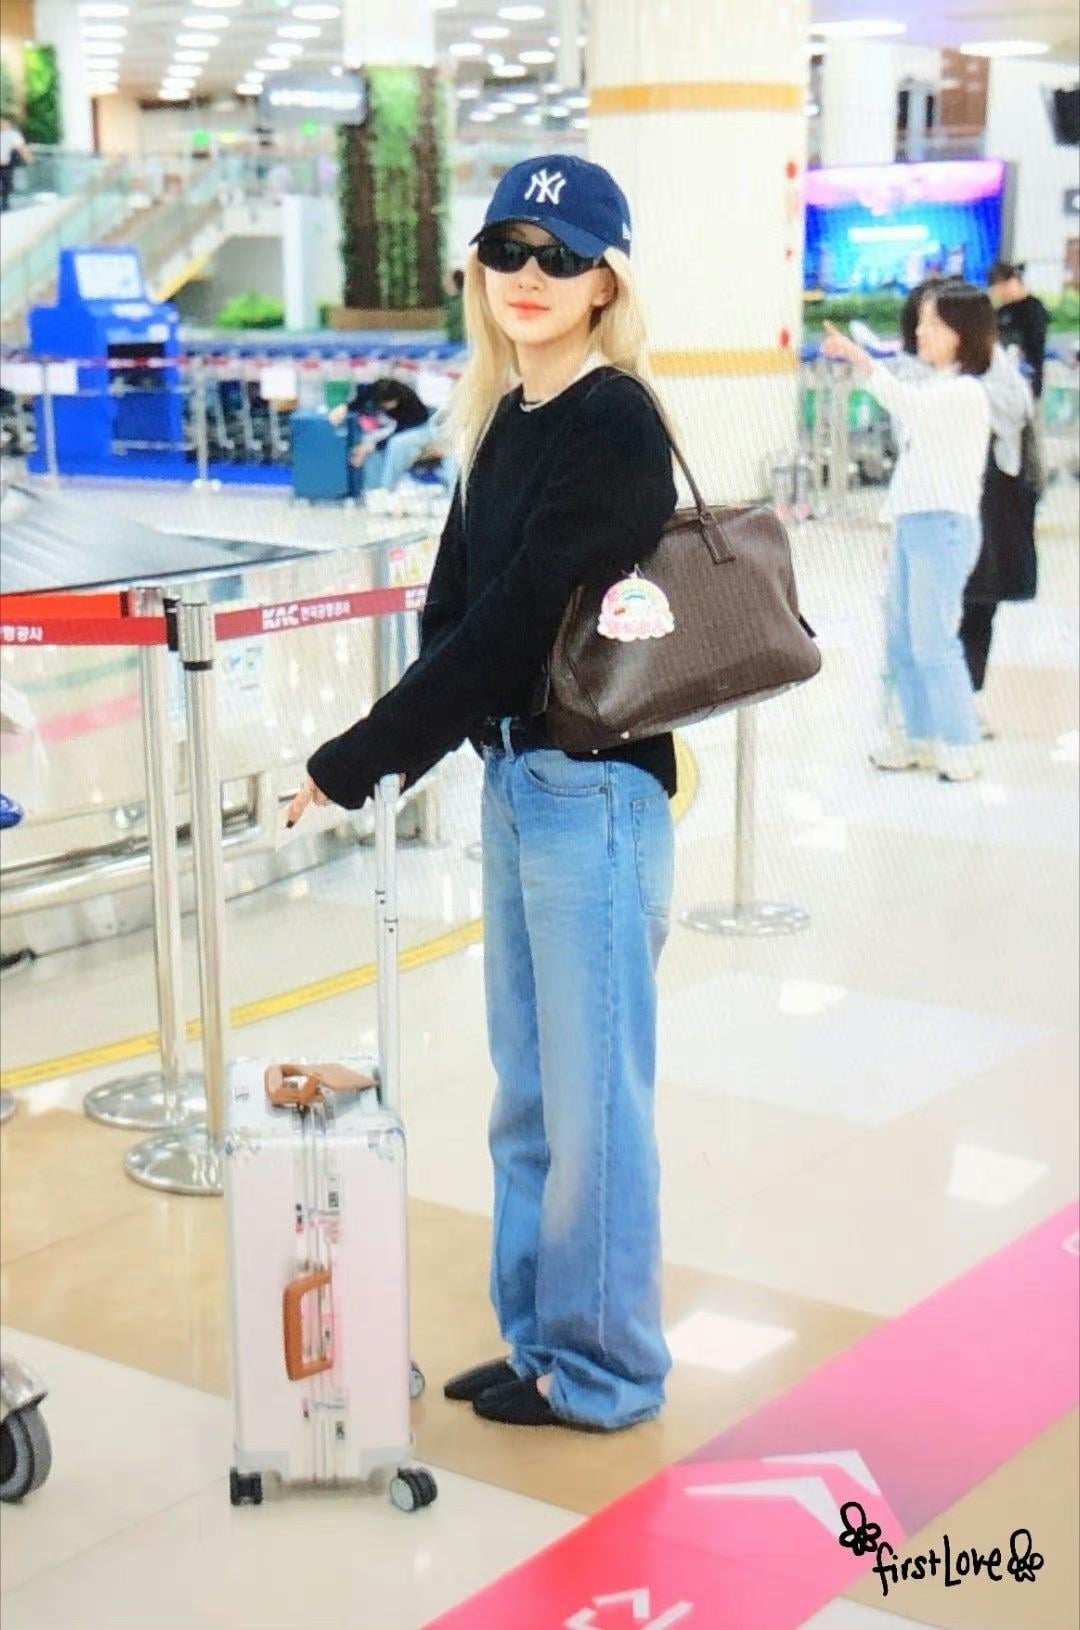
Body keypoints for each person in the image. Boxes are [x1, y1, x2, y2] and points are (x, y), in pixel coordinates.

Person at [288, 153, 679, 1432]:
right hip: (520, 781)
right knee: (529, 1092)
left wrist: (357, 756)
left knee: (594, 1106)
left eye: (561, 256)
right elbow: (455, 610)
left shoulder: (615, 421)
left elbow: (518, 619)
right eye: (508, 248)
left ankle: (607, 1369)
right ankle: (540, 1337)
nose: (529, 274)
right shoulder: (505, 415)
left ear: (608, 281)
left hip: (596, 795)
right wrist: (416, 750)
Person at [822, 283, 994, 783]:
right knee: (902, 639)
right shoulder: (940, 385)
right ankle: (919, 738)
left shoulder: (964, 392)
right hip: (915, 525)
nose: (921, 331)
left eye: (933, 323)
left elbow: (907, 405)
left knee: (933, 640)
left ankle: (961, 745)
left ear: (962, 333)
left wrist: (860, 358)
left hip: (943, 529)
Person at [958, 343, 1036, 729]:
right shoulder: (932, 374)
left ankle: (965, 700)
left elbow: (1017, 411)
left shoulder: (997, 373)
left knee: (978, 604)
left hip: (991, 512)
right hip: (953, 513)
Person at [329, 376, 446, 503]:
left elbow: (399, 431)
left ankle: (387, 489)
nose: (389, 406)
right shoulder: (373, 391)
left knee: (396, 444)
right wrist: (345, 408)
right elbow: (360, 400)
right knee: (369, 440)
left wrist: (373, 446)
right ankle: (372, 490)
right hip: (394, 426)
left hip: (422, 427)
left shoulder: (410, 403)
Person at [988, 262, 1050, 400]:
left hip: (1026, 382)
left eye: (1002, 288)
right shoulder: (1001, 312)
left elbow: (1034, 344)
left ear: (1013, 282)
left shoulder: (1034, 309)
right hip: (1001, 383)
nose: (1000, 294)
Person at [0, 117, 30, 214]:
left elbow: (21, 147)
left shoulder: (13, 135)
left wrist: (27, 157)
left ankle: (5, 203)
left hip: (6, 164)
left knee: (7, 184)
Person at [445, 267, 465, 345]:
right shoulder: (454, 301)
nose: (446, 285)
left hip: (459, 343)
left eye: (448, 282)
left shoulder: (458, 303)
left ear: (454, 284)